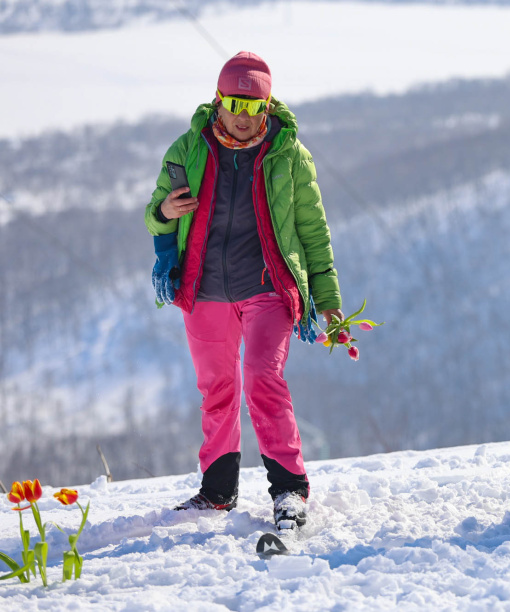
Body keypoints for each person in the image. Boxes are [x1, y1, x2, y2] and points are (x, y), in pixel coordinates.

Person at [144, 51, 344, 529]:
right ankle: (217, 492)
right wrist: (165, 213)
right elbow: (155, 211)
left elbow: (313, 231)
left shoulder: (289, 154)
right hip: (205, 289)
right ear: (218, 100)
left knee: (261, 376)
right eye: (235, 103)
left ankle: (290, 488)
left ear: (269, 106)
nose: (243, 116)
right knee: (217, 388)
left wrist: (330, 300)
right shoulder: (187, 149)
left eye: (255, 106)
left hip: (268, 288)